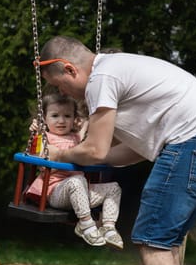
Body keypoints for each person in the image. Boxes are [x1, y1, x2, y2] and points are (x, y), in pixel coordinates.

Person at [35, 36, 196, 265]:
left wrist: (59, 153)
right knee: (164, 240)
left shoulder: (101, 78)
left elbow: (95, 149)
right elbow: (123, 153)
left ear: (70, 69)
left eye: (60, 85)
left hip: (194, 142)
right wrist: (86, 159)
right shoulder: (117, 70)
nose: (64, 94)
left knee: (153, 239)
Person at [27, 93, 124, 249]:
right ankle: (85, 223)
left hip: (82, 193)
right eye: (55, 115)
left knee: (114, 188)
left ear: (74, 119)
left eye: (67, 116)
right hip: (56, 192)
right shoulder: (44, 137)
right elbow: (35, 152)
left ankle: (108, 227)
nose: (61, 120)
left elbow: (87, 125)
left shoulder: (77, 138)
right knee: (76, 181)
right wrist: (35, 131)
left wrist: (88, 119)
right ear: (44, 118)